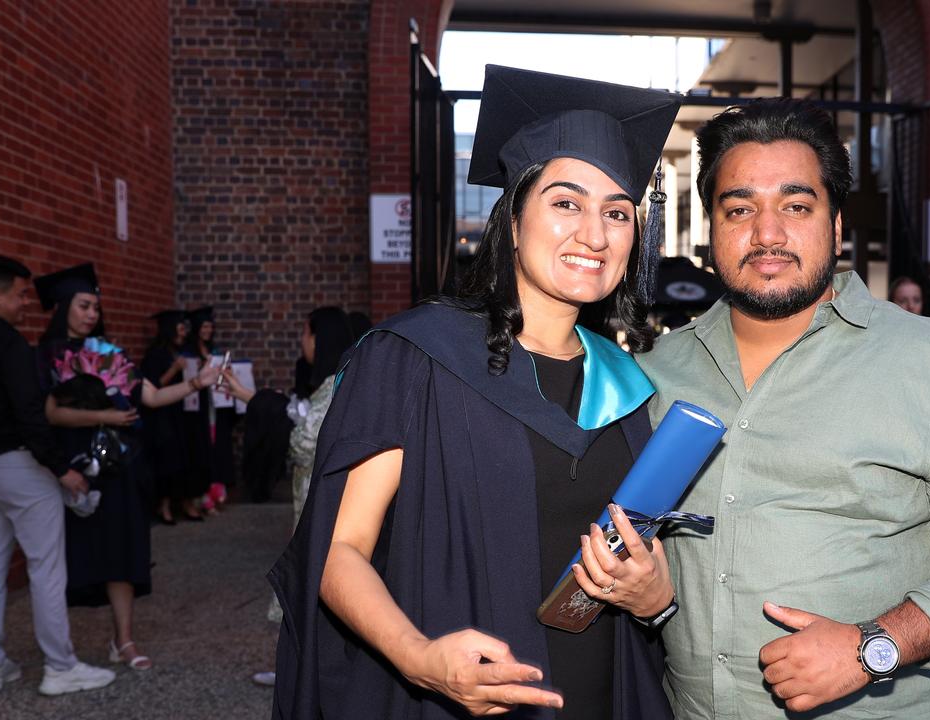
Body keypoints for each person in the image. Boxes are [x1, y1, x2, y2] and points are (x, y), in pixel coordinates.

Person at [269, 66, 682, 719]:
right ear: (514, 221)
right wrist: (417, 658)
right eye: (566, 203)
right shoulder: (416, 356)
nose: (595, 235)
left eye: (617, 213)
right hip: (455, 694)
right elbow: (340, 551)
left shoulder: (629, 387)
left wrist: (654, 591)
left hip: (605, 693)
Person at [636, 97, 930, 719]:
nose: (767, 232)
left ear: (836, 226)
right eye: (740, 208)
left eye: (796, 206)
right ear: (712, 227)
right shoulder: (656, 372)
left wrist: (873, 646)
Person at [36, 264, 219, 671]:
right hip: (70, 469)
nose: (91, 314)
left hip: (118, 468)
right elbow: (48, 414)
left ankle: (124, 640)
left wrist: (197, 383)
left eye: (95, 308)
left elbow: (150, 397)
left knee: (123, 551)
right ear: (64, 306)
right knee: (65, 557)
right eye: (83, 306)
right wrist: (103, 418)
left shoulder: (109, 354)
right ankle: (59, 651)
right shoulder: (46, 356)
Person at [0, 255, 116, 696]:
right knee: (46, 569)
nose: (26, 303)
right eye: (20, 293)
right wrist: (61, 468)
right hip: (21, 466)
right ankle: (60, 667)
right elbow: (31, 415)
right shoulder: (10, 346)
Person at [220, 306, 355, 686]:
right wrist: (249, 396)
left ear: (319, 337)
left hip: (324, 504)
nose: (301, 341)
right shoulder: (333, 381)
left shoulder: (335, 384)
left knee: (318, 583)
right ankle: (299, 669)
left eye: (305, 333)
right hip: (311, 501)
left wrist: (279, 430)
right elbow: (297, 414)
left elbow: (305, 439)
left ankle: (307, 675)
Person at [141, 310, 197, 524]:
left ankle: (182, 502)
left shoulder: (183, 351)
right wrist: (175, 369)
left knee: (184, 458)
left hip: (182, 412)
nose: (183, 330)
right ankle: (163, 506)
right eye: (179, 326)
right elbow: (154, 386)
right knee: (167, 459)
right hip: (163, 414)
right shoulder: (156, 354)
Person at [183, 306, 235, 513]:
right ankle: (201, 495)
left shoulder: (213, 351)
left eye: (210, 327)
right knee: (201, 446)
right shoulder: (189, 353)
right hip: (197, 407)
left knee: (216, 446)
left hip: (215, 404)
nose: (207, 330)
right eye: (204, 326)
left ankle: (215, 490)